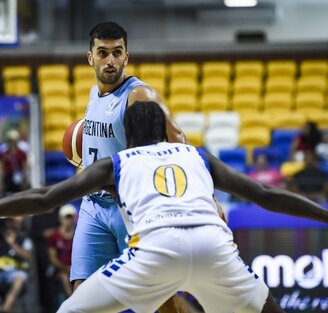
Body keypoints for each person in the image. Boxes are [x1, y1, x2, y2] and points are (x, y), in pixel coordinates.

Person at [0, 101, 328, 313]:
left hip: (155, 250)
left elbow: (43, 198)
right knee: (267, 309)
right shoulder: (197, 154)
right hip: (213, 246)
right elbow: (265, 195)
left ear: (126, 135)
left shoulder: (118, 161)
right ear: (165, 132)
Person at [71, 21, 187, 312]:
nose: (109, 60)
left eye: (116, 52)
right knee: (81, 295)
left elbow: (179, 140)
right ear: (90, 57)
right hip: (93, 206)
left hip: (130, 208)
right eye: (102, 53)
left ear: (126, 56)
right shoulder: (93, 94)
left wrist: (204, 194)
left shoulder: (139, 95)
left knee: (159, 298)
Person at [0, 217, 33, 313]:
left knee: (20, 278)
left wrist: (12, 243)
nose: (13, 225)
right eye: (12, 222)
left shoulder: (24, 239)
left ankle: (5, 308)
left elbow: (28, 257)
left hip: (14, 272)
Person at [47, 204, 78, 301]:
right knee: (64, 277)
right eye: (66, 218)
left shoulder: (79, 235)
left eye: (70, 218)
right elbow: (52, 258)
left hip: (76, 268)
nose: (68, 221)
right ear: (60, 219)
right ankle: (72, 301)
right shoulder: (54, 236)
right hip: (60, 269)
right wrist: (65, 268)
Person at [0, 129, 27, 193]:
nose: (12, 143)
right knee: (7, 192)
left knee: (19, 191)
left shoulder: (22, 153)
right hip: (8, 176)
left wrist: (24, 176)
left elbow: (24, 166)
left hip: (18, 175)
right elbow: (1, 166)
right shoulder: (4, 153)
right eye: (10, 141)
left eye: (14, 140)